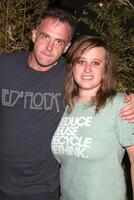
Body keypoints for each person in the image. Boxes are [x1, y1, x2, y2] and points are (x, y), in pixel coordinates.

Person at [0, 7, 133, 200]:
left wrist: (130, 100)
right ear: (34, 34)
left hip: (43, 188)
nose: (49, 47)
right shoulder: (4, 67)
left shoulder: (70, 75)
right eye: (45, 37)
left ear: (66, 47)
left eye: (58, 41)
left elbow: (101, 87)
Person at [51, 35, 134, 200]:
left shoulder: (120, 104)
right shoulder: (65, 106)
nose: (87, 69)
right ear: (72, 66)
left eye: (96, 63)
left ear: (105, 69)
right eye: (81, 61)